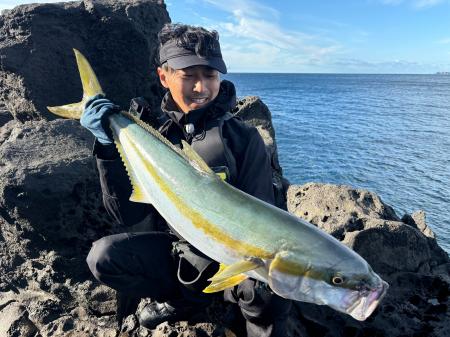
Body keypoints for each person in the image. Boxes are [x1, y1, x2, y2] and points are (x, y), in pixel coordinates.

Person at [81, 23, 291, 337]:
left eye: (210, 75)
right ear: (163, 76)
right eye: (188, 75)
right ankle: (183, 301)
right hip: (178, 252)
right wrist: (107, 148)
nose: (201, 87)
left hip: (235, 258)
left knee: (270, 288)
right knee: (104, 257)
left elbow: (263, 219)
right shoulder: (149, 135)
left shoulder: (243, 139)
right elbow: (128, 214)